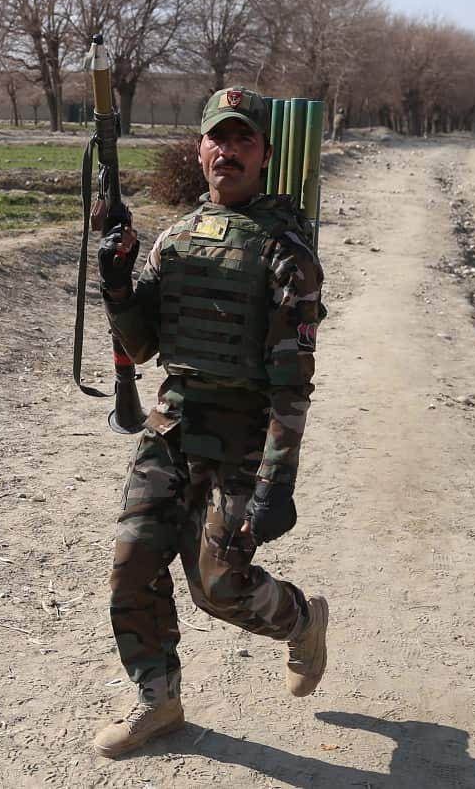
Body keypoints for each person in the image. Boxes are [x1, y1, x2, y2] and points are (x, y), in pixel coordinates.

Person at [90, 86, 329, 758]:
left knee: (219, 590)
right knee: (133, 569)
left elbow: (292, 385)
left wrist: (276, 484)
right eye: (216, 138)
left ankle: (302, 620)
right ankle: (157, 700)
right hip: (172, 428)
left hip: (244, 438)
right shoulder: (176, 239)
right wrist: (116, 284)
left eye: (242, 139)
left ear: (264, 155)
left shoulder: (287, 256)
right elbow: (140, 348)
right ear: (199, 149)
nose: (227, 150)